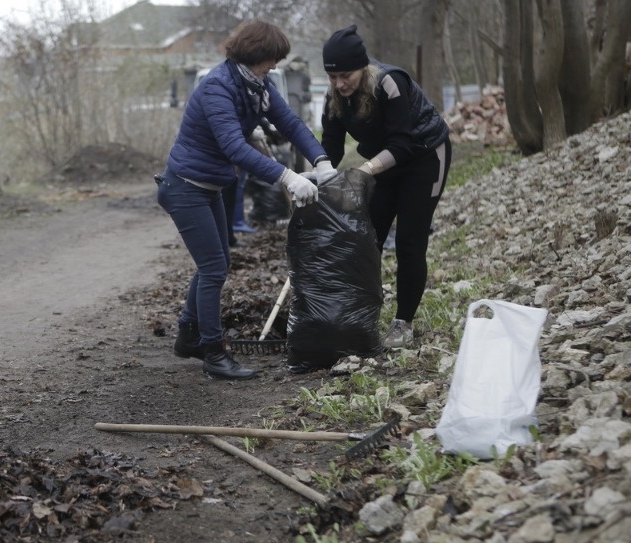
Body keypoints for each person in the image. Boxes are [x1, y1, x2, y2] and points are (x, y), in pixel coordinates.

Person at [156, 19, 337, 380]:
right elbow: (234, 147)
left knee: (217, 260)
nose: (275, 66)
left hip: (211, 187)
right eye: (271, 59)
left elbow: (291, 124)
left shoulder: (256, 85)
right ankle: (212, 353)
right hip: (185, 187)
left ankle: (188, 335)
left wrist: (322, 160)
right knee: (213, 269)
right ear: (255, 55)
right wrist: (286, 176)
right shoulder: (217, 88)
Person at [320, 25, 452, 348]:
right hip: (385, 162)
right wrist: (317, 173)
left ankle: (402, 322)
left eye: (346, 75)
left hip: (424, 156)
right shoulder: (335, 96)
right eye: (332, 77)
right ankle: (360, 311)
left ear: (362, 66)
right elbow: (331, 149)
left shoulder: (390, 83)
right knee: (368, 237)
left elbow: (402, 144)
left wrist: (364, 171)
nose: (340, 83)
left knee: (409, 240)